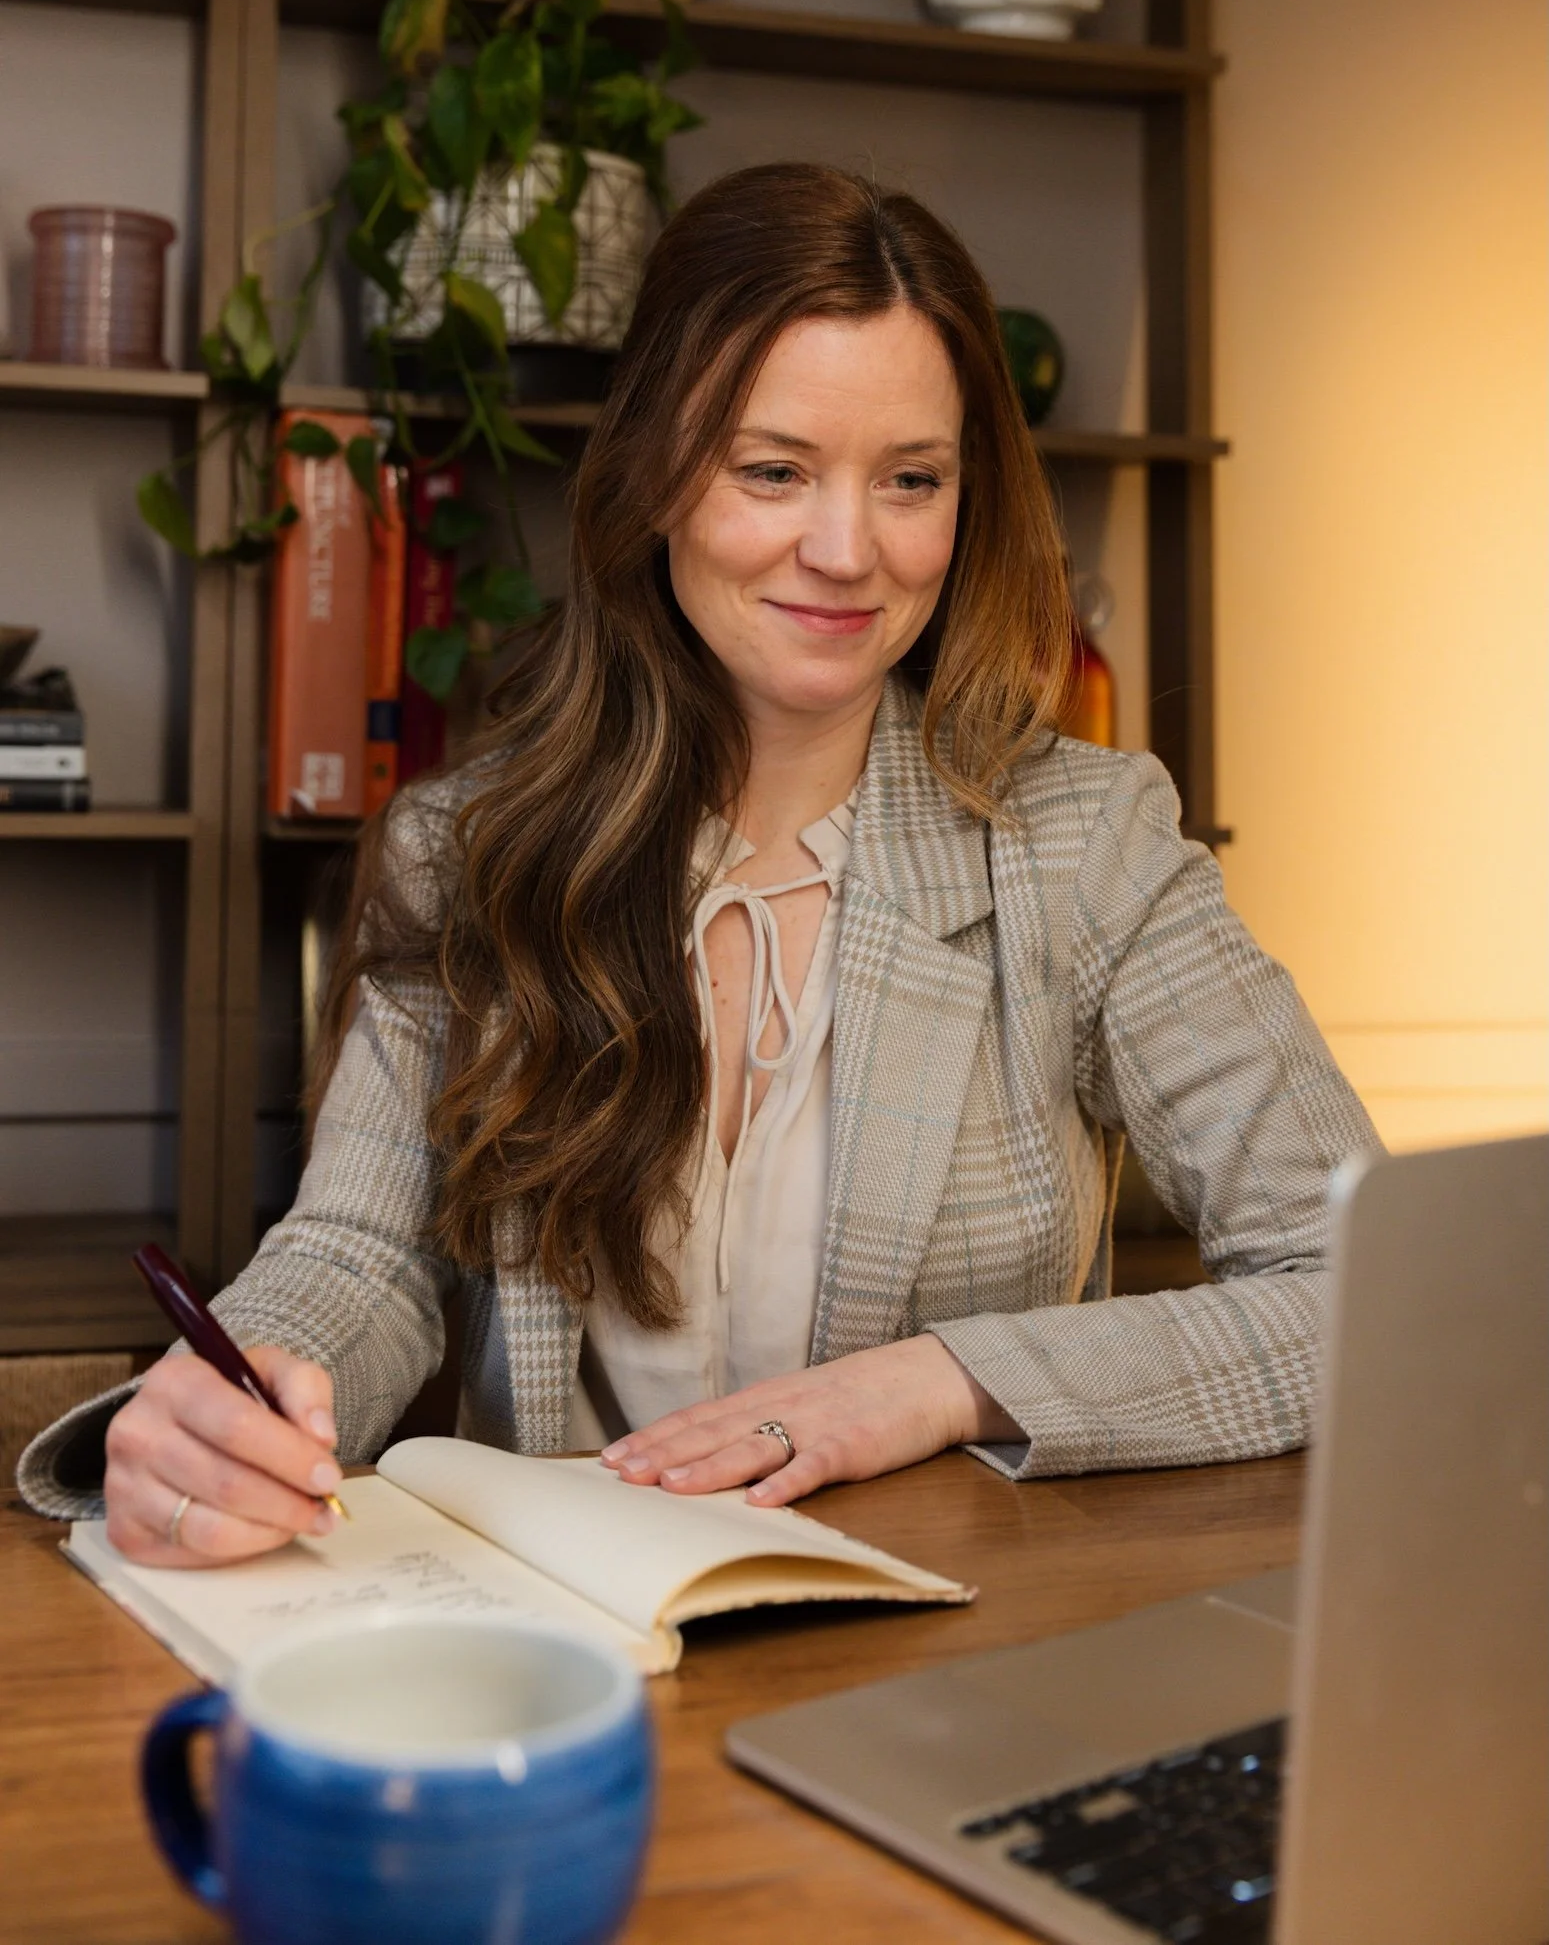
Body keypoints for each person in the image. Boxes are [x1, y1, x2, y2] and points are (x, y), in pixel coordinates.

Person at [20, 163, 1378, 1567]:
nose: (848, 551)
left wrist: (928, 1384)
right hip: (569, 1664)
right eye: (773, 469)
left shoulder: (1088, 847)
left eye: (911, 479)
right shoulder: (464, 848)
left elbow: (1362, 1294)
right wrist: (235, 1390)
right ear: (658, 472)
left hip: (947, 1660)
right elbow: (358, 1258)